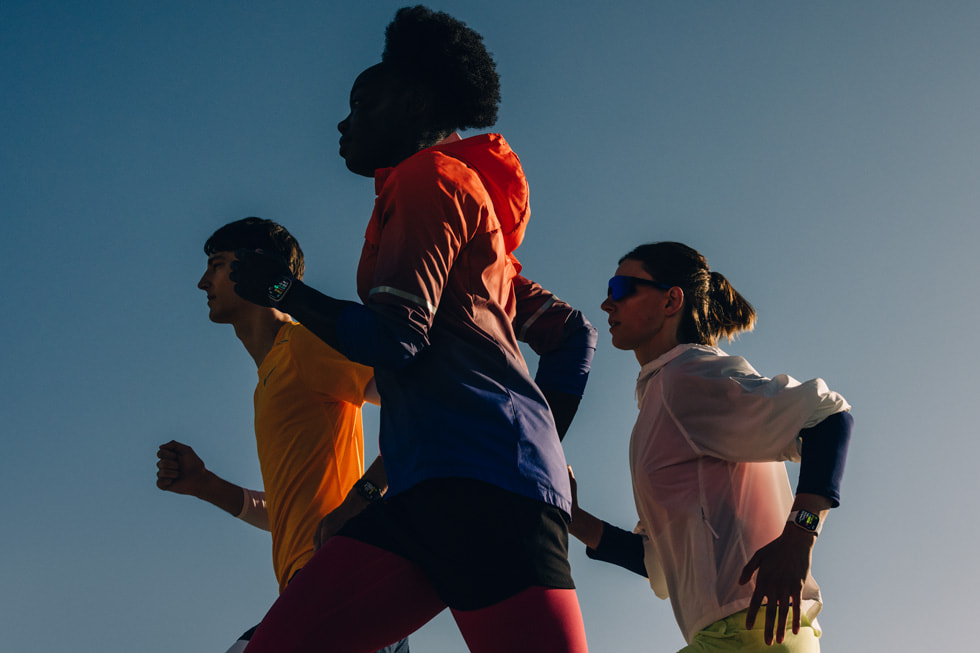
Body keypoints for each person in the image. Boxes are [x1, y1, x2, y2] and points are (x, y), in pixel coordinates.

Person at [229, 7, 596, 652]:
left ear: (417, 102)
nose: (344, 122)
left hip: (482, 499)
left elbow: (393, 342)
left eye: (362, 102)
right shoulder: (469, 213)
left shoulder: (430, 178)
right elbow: (569, 335)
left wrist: (281, 291)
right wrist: (545, 452)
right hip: (437, 492)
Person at [567, 241, 852, 652]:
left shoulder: (685, 378)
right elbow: (657, 560)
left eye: (620, 288)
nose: (607, 304)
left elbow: (829, 416)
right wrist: (573, 518)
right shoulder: (661, 400)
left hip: (752, 633)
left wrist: (799, 535)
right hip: (737, 636)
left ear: (671, 300)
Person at [156, 217, 408, 653]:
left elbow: (419, 401)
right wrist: (206, 486)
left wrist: (363, 496)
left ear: (254, 266)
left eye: (216, 265)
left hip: (341, 585)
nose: (202, 282)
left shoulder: (306, 344)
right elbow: (294, 512)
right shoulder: (269, 381)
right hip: (315, 590)